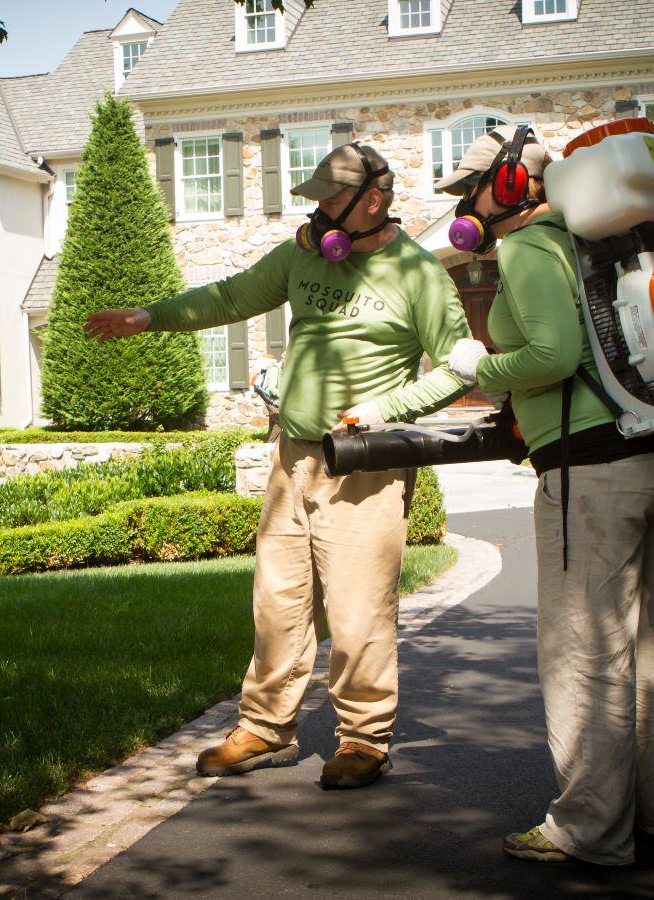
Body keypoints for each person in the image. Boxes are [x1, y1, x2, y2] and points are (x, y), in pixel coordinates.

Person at [86, 142, 484, 789]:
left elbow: (460, 367)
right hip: (291, 460)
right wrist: (148, 318)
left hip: (364, 468)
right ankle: (266, 729)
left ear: (373, 201)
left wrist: (385, 407)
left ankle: (363, 739)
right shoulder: (304, 254)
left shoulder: (418, 273)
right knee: (277, 604)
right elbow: (230, 296)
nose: (320, 211)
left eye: (331, 199)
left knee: (358, 614)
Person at [437, 125, 654, 865]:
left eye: (469, 187)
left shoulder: (526, 246)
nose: (463, 203)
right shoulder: (596, 239)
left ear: (512, 184)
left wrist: (478, 365)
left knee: (586, 653)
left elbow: (551, 354)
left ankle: (587, 830)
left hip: (591, 472)